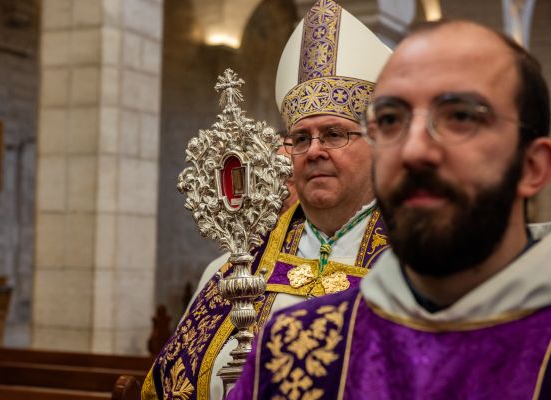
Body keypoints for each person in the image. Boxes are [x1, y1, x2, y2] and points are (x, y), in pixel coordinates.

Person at [228, 20, 551, 399]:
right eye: (391, 120)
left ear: (532, 167)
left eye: (461, 117)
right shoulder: (288, 347)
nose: (414, 150)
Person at [142, 1, 391, 398]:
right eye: (300, 138)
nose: (313, 151)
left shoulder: (418, 267)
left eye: (334, 134)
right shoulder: (230, 272)